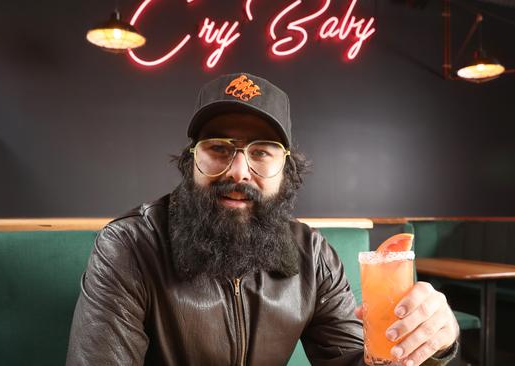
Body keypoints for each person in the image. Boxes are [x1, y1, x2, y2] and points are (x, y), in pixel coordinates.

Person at [66, 73, 460, 366]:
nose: (239, 170)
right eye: (219, 148)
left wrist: (432, 343)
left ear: (286, 171)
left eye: (262, 151)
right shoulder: (131, 247)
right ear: (191, 163)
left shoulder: (313, 254)